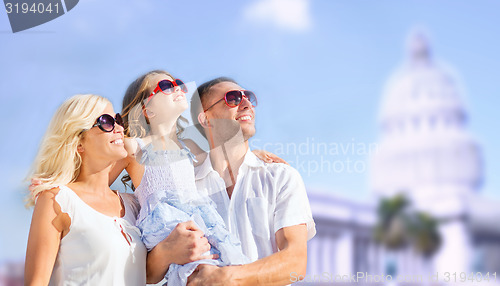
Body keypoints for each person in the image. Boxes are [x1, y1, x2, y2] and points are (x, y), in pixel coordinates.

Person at [114, 70, 286, 285]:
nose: (177, 87)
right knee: (198, 269)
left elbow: (227, 150)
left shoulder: (190, 146)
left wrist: (255, 154)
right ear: (147, 109)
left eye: (178, 83)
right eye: (166, 86)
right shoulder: (134, 147)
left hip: (198, 217)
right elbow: (98, 173)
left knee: (221, 261)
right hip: (166, 222)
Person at [184, 77, 316, 285]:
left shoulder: (281, 177)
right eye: (233, 98)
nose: (247, 104)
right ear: (205, 119)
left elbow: (296, 261)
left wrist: (227, 277)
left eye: (249, 97)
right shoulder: (185, 188)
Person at [24, 94, 147, 285]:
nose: (119, 128)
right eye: (106, 122)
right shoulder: (57, 200)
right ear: (78, 142)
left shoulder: (133, 205)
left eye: (118, 120)